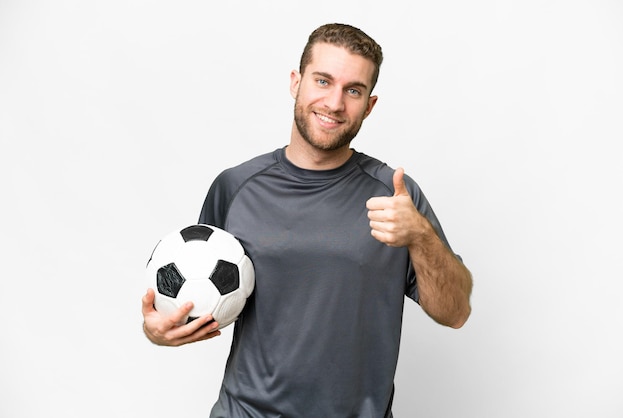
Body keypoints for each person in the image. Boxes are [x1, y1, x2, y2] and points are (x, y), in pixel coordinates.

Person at [142, 22, 473, 418]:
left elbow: (455, 313)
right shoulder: (236, 187)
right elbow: (198, 299)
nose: (334, 103)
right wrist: (159, 331)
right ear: (296, 82)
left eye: (354, 90)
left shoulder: (395, 196)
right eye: (322, 81)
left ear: (370, 105)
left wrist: (421, 236)